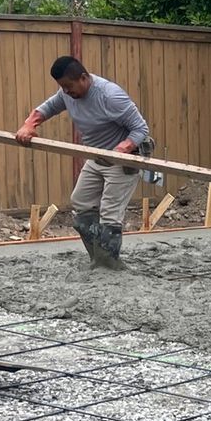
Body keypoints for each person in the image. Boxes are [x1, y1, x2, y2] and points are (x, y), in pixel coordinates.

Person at [15, 56, 151, 270]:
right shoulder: (67, 94)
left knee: (109, 213)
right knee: (81, 202)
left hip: (122, 159)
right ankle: (99, 260)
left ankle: (110, 265)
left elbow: (141, 130)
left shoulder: (110, 95)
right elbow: (49, 107)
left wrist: (120, 149)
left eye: (69, 87)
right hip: (96, 156)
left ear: (84, 78)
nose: (66, 92)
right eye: (62, 88)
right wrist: (29, 125)